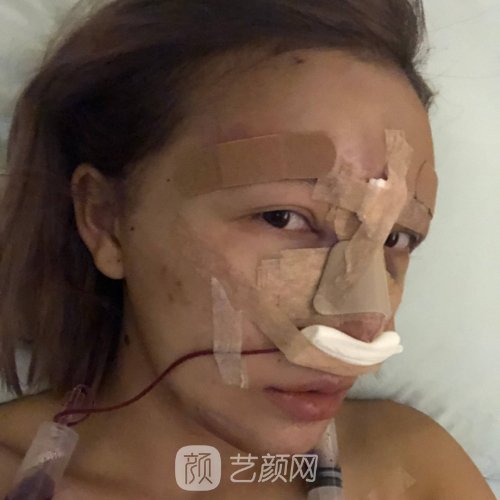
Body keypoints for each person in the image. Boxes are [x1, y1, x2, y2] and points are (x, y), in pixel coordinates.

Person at [0, 0, 495, 498]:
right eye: (283, 218)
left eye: (395, 238)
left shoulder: (416, 473)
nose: (365, 325)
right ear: (105, 220)